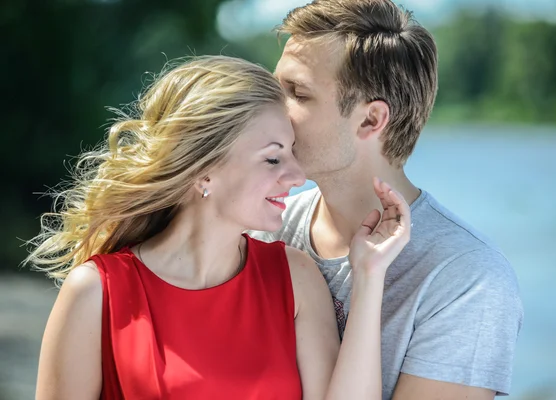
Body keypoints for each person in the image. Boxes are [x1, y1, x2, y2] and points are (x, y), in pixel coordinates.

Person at [26, 55, 412, 400]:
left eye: (292, 154)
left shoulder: (295, 279)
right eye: (273, 160)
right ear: (203, 170)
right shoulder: (96, 292)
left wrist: (369, 274)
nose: (298, 176)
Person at [249, 1, 524, 399]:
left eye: (297, 93)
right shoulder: (258, 227)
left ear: (370, 121)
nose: (271, 110)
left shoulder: (466, 279)